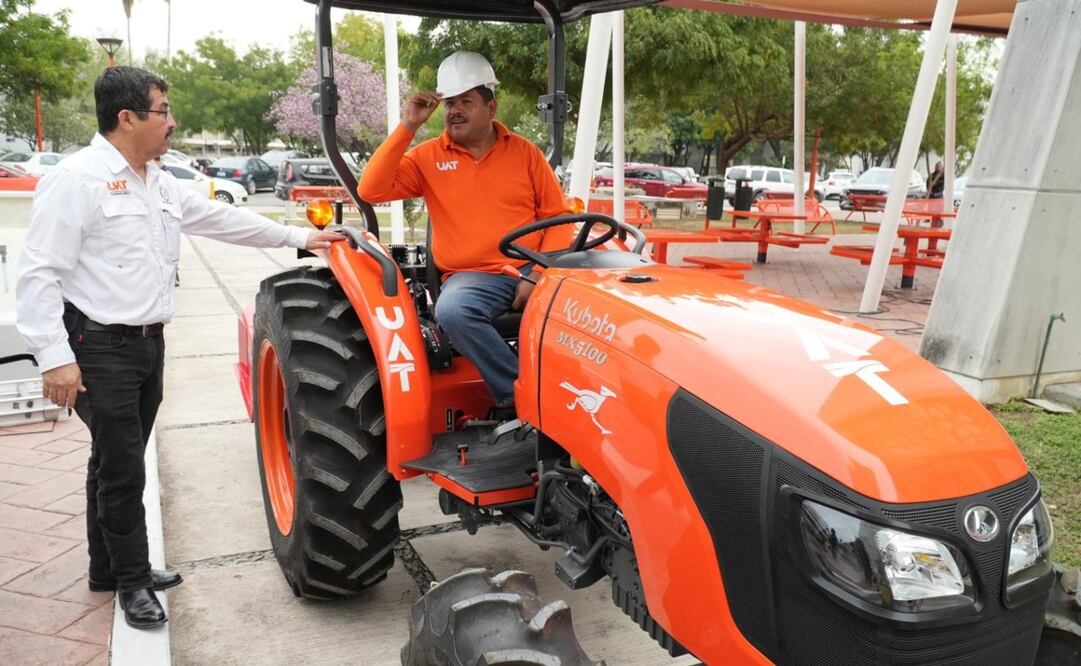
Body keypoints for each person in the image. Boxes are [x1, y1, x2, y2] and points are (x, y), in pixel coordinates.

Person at [15, 66, 338, 629]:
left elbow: (219, 218)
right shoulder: (78, 180)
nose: (171, 121)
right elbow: (39, 273)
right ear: (127, 118)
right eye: (162, 111)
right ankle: (133, 582)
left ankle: (107, 567)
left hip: (148, 344)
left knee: (116, 458)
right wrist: (55, 358)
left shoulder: (158, 179)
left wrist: (299, 237)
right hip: (98, 345)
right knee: (122, 469)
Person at [358, 51, 572, 416]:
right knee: (453, 311)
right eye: (450, 103)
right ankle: (523, 398)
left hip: (534, 266)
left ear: (491, 107)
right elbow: (371, 190)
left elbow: (558, 219)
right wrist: (408, 126)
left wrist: (537, 274)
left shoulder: (525, 154)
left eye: (466, 102)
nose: (454, 110)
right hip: (473, 277)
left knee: (599, 309)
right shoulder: (427, 157)